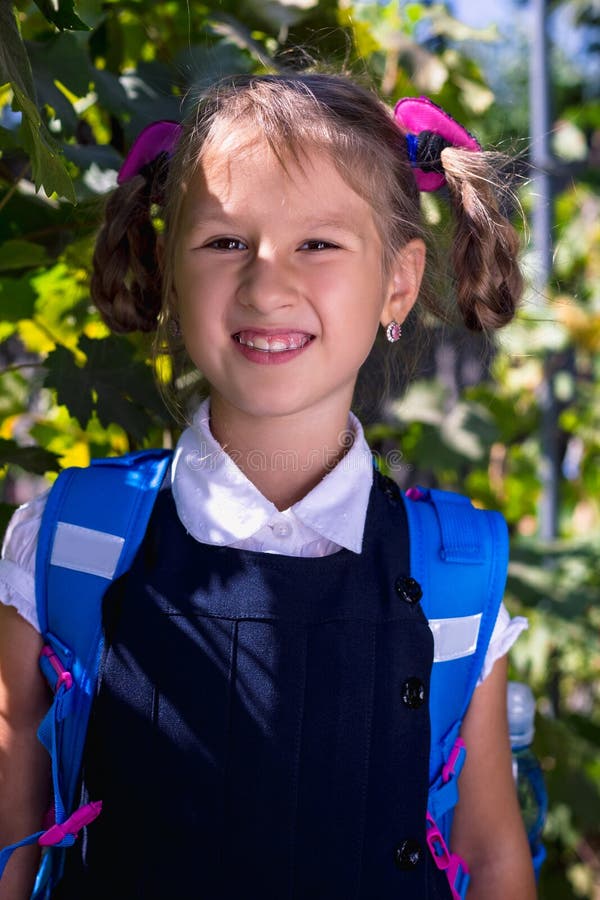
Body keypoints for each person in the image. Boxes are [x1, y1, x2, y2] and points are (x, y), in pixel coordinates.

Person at [0, 72, 537, 899]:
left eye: (318, 244)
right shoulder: (68, 549)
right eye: (224, 242)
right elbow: (13, 846)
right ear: (171, 272)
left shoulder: (456, 582)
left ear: (397, 283)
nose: (266, 284)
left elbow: (494, 859)